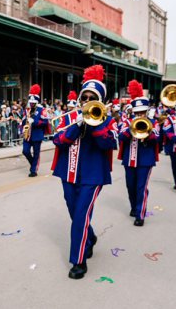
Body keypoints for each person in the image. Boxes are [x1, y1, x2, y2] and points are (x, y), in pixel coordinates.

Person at [51, 65, 118, 279]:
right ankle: (89, 238)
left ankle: (78, 261)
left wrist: (95, 124)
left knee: (80, 215)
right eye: (84, 97)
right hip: (68, 173)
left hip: (93, 175)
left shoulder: (108, 120)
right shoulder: (69, 118)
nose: (87, 101)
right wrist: (77, 125)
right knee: (74, 212)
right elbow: (58, 141)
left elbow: (110, 144)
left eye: (92, 97)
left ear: (99, 100)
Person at [118, 80, 159, 226]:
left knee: (141, 187)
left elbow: (157, 138)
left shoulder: (152, 122)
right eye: (137, 112)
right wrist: (131, 129)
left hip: (145, 160)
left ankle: (140, 214)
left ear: (147, 111)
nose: (140, 114)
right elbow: (121, 137)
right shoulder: (127, 122)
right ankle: (134, 207)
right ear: (133, 111)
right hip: (129, 159)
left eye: (142, 112)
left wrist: (147, 132)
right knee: (131, 185)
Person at [22, 84, 49, 177]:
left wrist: (35, 122)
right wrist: (23, 121)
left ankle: (33, 170)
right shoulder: (27, 110)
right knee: (25, 151)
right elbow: (23, 120)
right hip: (27, 134)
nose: (32, 104)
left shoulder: (42, 110)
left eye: (33, 102)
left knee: (36, 153)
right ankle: (33, 163)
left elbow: (45, 122)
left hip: (37, 134)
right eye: (31, 102)